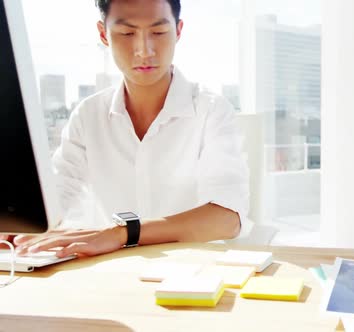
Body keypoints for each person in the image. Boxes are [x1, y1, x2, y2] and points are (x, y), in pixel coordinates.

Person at [1, 0, 249, 257]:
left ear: (178, 31)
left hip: (193, 271)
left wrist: (120, 234)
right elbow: (56, 198)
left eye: (158, 32)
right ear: (102, 34)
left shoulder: (212, 110)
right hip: (112, 271)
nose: (144, 50)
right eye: (127, 33)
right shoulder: (88, 115)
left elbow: (227, 218)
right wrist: (20, 228)